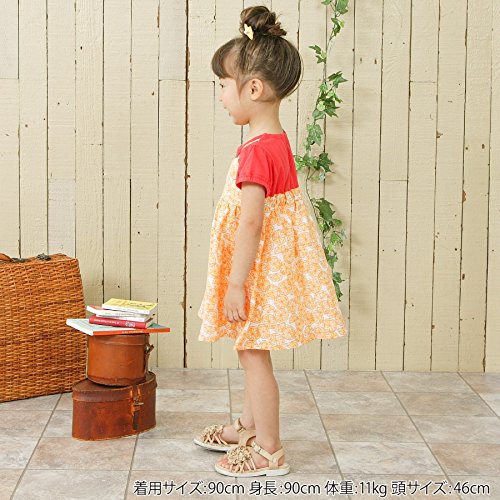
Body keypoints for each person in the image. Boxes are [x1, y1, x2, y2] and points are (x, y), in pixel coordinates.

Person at [194, 5, 348, 477]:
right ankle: (247, 426)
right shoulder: (274, 142)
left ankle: (268, 449)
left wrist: (235, 283)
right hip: (267, 268)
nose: (221, 96)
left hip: (256, 272)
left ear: (254, 89)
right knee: (250, 347)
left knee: (252, 354)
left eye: (224, 85)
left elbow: (252, 225)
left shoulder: (258, 154)